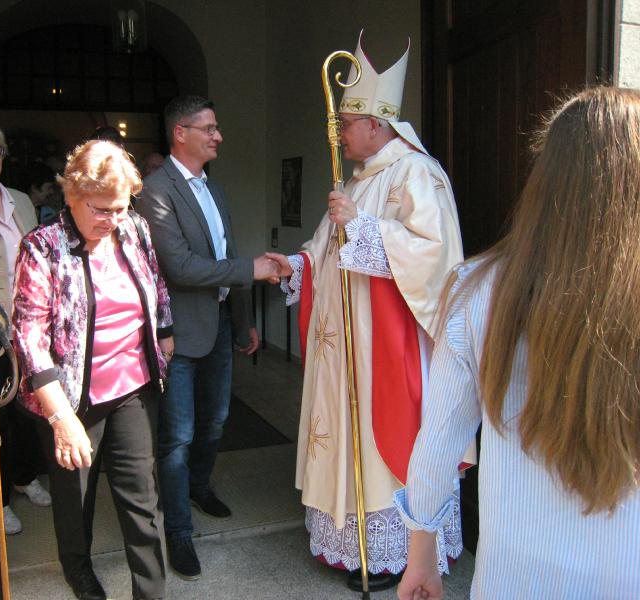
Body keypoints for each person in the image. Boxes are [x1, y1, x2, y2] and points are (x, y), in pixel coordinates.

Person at [395, 87, 640, 600]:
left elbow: (437, 446)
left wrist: (422, 558)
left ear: (545, 178)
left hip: (515, 573)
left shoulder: (477, 288)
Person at [266, 33, 474, 592]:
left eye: (346, 122)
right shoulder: (359, 179)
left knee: (387, 443)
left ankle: (401, 552)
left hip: (385, 346)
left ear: (377, 124)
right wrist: (295, 264)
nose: (339, 133)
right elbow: (325, 249)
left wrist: (361, 226)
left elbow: (436, 256)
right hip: (345, 350)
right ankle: (349, 540)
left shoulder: (416, 173)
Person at [12, 141, 172, 600]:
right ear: (72, 196)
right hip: (69, 399)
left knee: (143, 501)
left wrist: (165, 332)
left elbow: (156, 282)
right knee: (74, 497)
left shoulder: (135, 228)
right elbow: (29, 337)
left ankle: (151, 592)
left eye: (120, 207)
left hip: (133, 387)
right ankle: (78, 569)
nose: (112, 219)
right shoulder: (42, 246)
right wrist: (61, 419)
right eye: (101, 209)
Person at [135, 95, 280, 580]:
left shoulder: (213, 189)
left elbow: (226, 252)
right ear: (180, 133)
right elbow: (179, 267)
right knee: (177, 436)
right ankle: (178, 531)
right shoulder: (155, 190)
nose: (219, 136)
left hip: (219, 323)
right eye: (209, 128)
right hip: (177, 332)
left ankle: (198, 487)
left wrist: (242, 321)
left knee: (216, 420)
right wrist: (251, 270)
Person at [0, 121, 51, 536]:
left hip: (29, 327)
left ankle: (25, 477)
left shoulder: (20, 201)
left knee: (30, 411)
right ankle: (1, 498)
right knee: (0, 419)